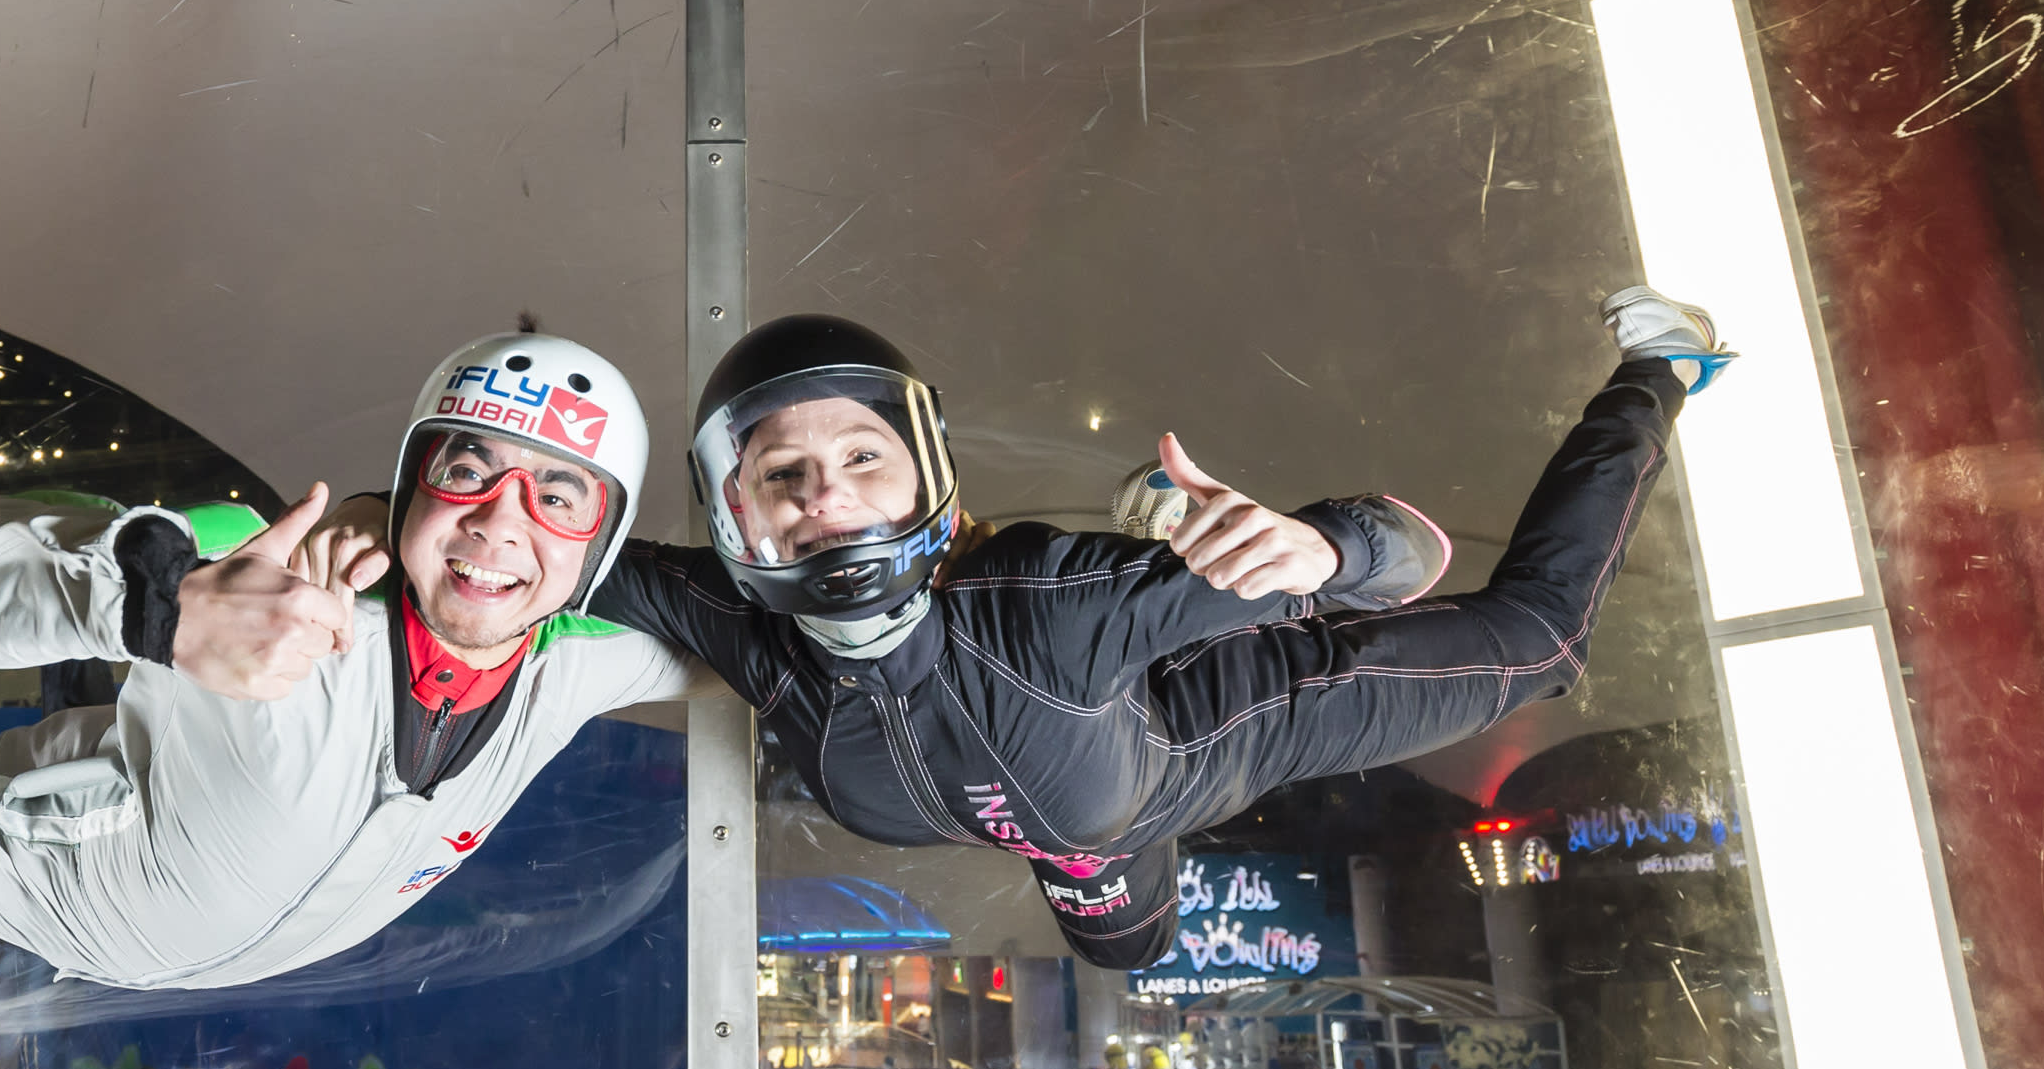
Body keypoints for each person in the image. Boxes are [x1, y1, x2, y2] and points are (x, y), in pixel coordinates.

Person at [570, 288, 1732, 970]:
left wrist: (1327, 551)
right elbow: (518, 545)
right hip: (1073, 817)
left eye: (862, 459)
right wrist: (381, 516)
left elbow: (1411, 559)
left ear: (925, 471)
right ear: (735, 508)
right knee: (1125, 951)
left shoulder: (1040, 602)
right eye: (785, 472)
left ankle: (1660, 368)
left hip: (1219, 723)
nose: (825, 496)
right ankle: (1162, 548)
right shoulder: (727, 616)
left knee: (1538, 646)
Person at [0, 329, 696, 991]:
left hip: (186, 940)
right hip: (51, 856)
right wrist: (163, 602)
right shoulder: (261, 564)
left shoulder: (585, 659)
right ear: (414, 482)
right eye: (467, 470)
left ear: (601, 542)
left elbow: (763, 635)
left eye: (557, 496)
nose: (500, 524)